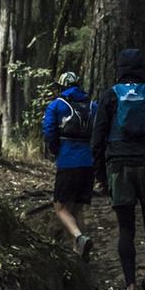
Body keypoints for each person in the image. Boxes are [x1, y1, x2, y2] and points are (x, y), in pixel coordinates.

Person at [91, 48, 145, 290]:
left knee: (125, 227)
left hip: (119, 165)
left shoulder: (110, 96)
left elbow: (98, 139)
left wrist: (101, 176)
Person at [42, 71, 98, 261]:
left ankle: (79, 237)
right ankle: (81, 253)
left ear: (61, 86)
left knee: (60, 207)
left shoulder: (57, 105)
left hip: (68, 162)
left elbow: (49, 131)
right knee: (78, 208)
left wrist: (56, 150)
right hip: (88, 164)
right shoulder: (93, 106)